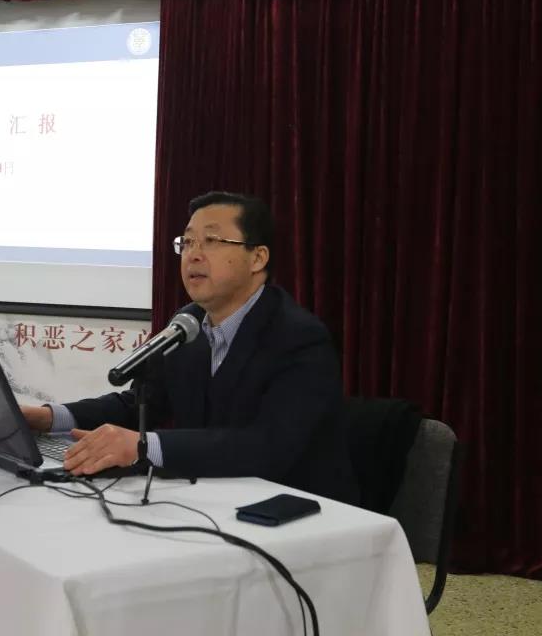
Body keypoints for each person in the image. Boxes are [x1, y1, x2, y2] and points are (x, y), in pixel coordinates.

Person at [21, 192, 358, 504]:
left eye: (212, 241)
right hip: (212, 499)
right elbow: (141, 404)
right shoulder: (188, 323)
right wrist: (49, 418)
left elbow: (268, 445)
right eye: (188, 242)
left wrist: (142, 446)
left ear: (257, 258)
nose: (193, 254)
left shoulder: (298, 337)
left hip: (298, 511)